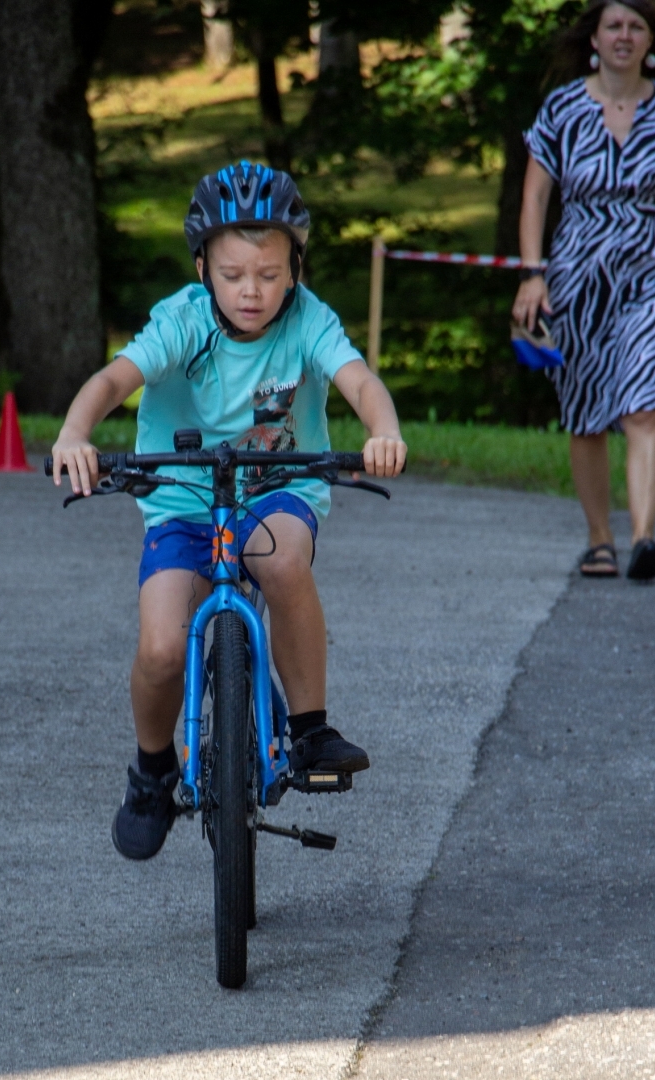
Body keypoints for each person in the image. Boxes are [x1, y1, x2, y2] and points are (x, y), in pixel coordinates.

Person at [52, 162, 408, 860]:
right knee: (160, 646)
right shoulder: (183, 321)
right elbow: (113, 379)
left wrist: (383, 430)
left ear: (296, 268)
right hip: (184, 497)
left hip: (278, 486)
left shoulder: (308, 319)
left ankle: (309, 730)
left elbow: (360, 381)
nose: (253, 290)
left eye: (271, 273)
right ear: (203, 268)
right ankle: (153, 770)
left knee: (279, 560)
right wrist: (74, 433)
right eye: (234, 273)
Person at [512, 0, 655, 580]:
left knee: (645, 401)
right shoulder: (562, 108)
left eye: (637, 26)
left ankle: (643, 538)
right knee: (584, 413)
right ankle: (599, 538)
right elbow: (535, 197)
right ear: (596, 37)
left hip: (652, 272)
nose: (625, 35)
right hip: (576, 277)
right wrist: (532, 274)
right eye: (615, 25)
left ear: (651, 40)